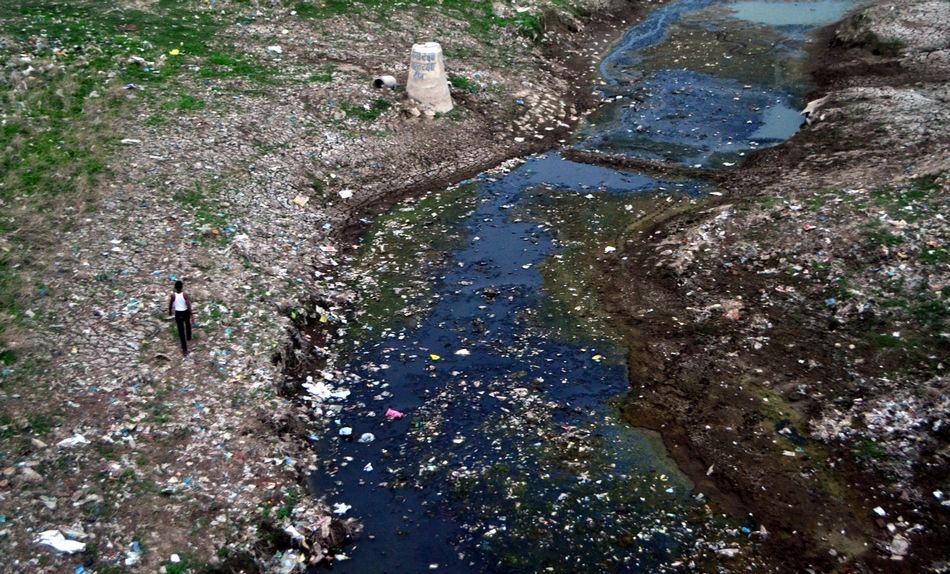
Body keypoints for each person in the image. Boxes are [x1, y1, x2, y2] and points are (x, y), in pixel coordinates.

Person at [167, 280, 194, 356]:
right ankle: (189, 337)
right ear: (182, 287)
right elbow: (188, 305)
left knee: (181, 331)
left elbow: (170, 304)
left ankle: (185, 350)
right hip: (185, 312)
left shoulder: (173, 295)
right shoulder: (185, 295)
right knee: (187, 324)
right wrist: (192, 315)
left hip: (178, 313)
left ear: (175, 288)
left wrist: (170, 311)